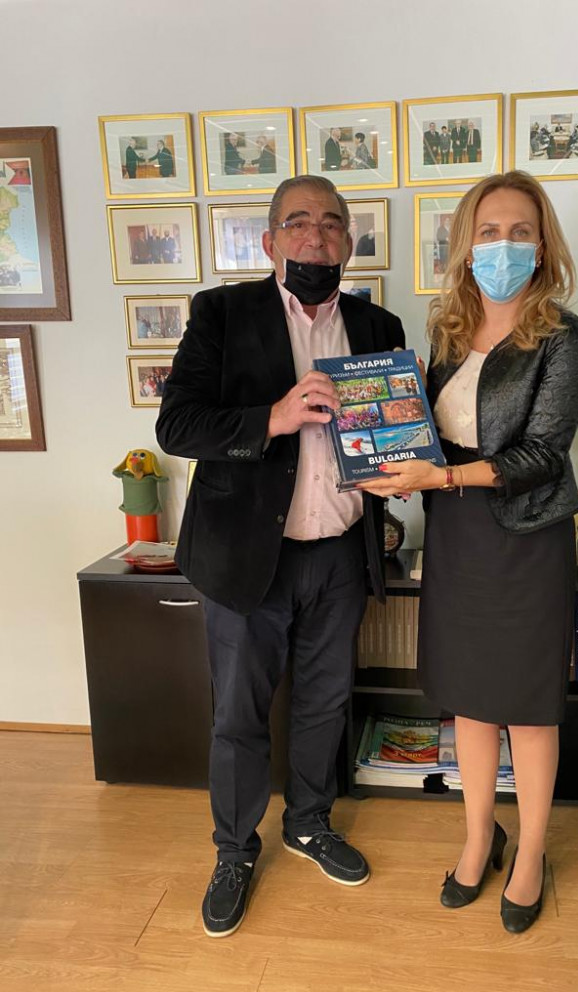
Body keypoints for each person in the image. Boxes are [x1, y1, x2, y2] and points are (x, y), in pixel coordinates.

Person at [155, 174, 405, 939]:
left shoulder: (379, 325)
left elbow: (392, 434)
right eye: (298, 222)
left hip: (341, 554)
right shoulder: (222, 314)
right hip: (245, 559)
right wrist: (273, 416)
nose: (315, 236)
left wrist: (404, 455)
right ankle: (234, 850)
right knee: (238, 713)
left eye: (331, 224)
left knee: (326, 702)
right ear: (269, 241)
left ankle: (308, 822)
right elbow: (178, 426)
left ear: (349, 242)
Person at [359, 170, 578, 934]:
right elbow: (426, 431)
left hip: (526, 537)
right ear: (466, 244)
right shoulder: (449, 331)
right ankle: (478, 837)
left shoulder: (562, 335)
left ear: (542, 245)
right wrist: (389, 462)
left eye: (520, 232)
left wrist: (443, 476)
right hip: (457, 536)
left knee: (526, 706)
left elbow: (543, 455)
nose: (504, 246)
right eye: (489, 232)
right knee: (469, 700)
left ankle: (532, 852)